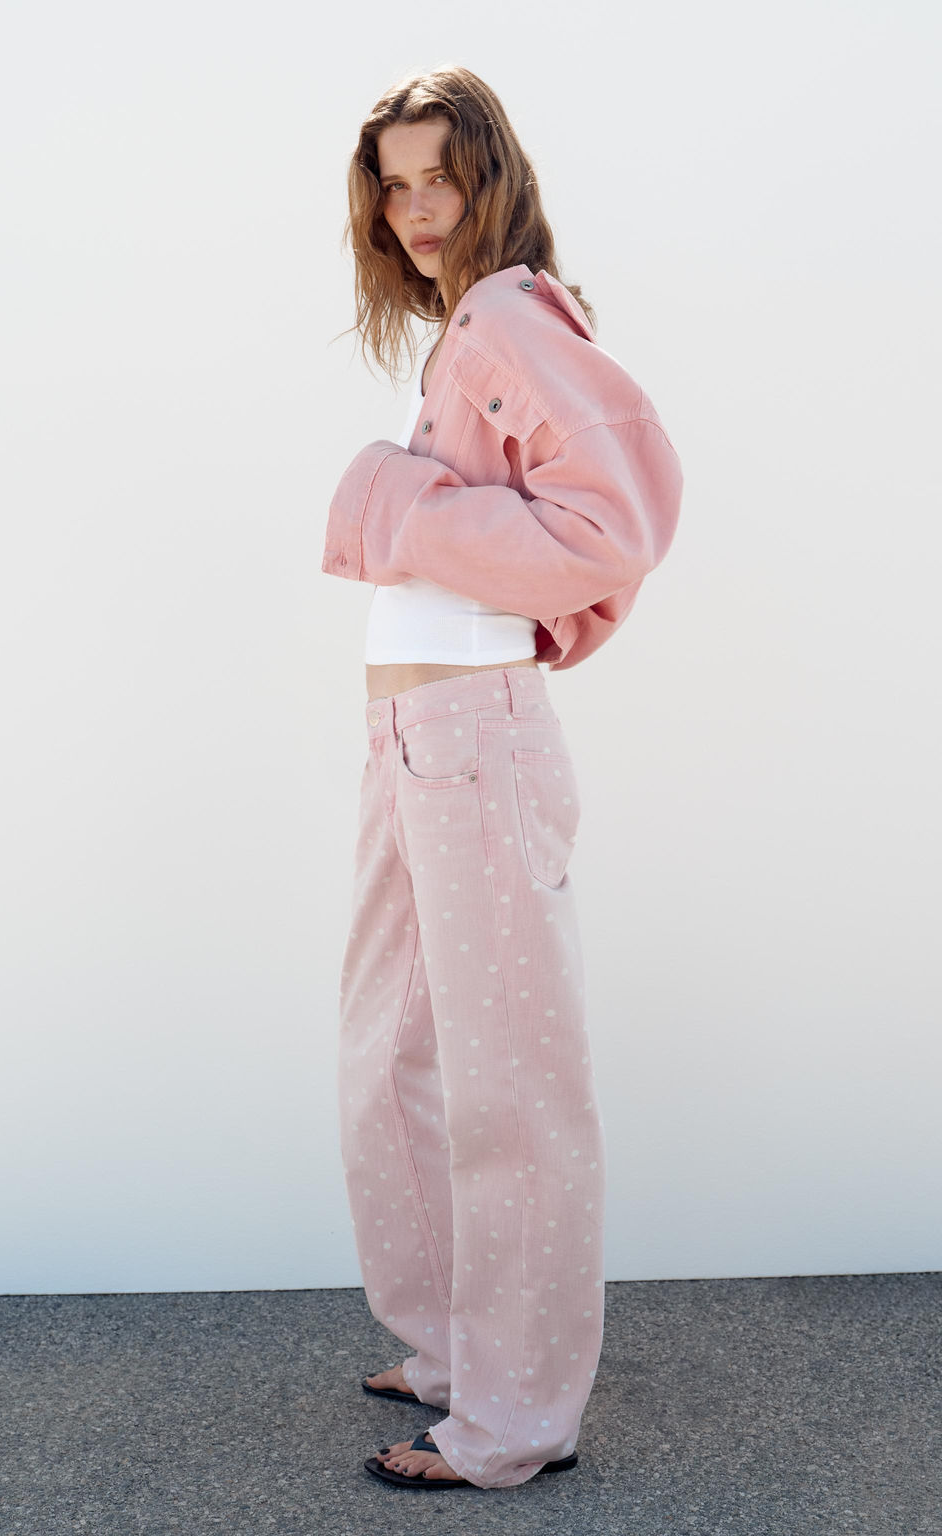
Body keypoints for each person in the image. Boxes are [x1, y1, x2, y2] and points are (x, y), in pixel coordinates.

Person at [322, 65, 683, 1492]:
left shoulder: (512, 318)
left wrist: (394, 502)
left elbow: (618, 519)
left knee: (509, 1086)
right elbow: (548, 534)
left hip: (475, 739)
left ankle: (519, 1417)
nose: (417, 209)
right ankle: (456, 1349)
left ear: (493, 176)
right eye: (394, 186)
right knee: (389, 1060)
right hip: (417, 738)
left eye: (442, 177)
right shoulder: (466, 326)